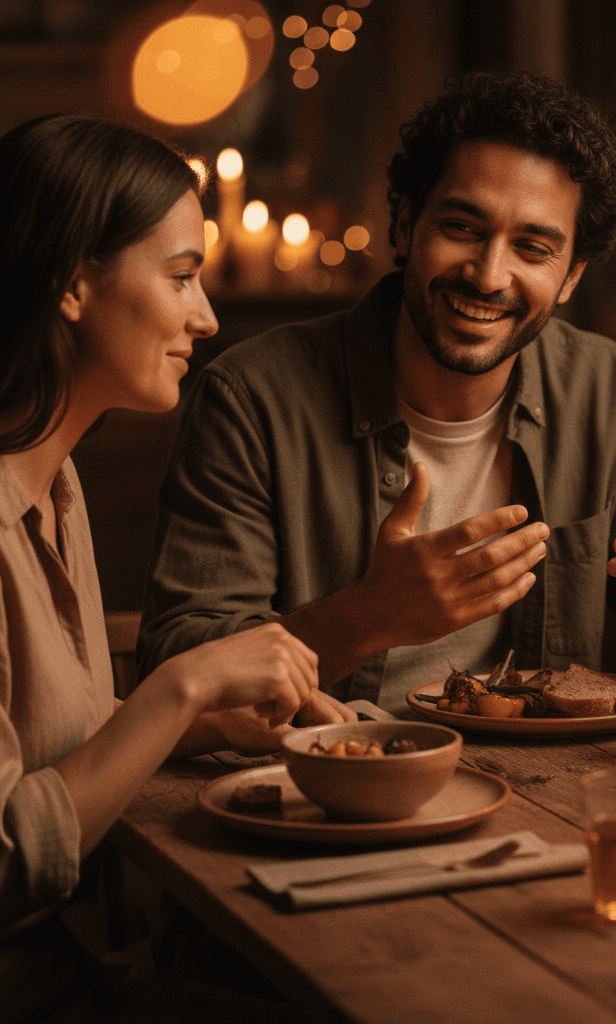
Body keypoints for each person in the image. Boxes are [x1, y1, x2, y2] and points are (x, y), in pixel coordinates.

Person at [138, 69, 616, 714]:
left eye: (532, 247)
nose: (489, 274)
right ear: (406, 222)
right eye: (463, 229)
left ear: (570, 277)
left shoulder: (608, 392)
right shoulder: (252, 399)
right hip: (324, 784)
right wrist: (369, 616)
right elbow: (178, 665)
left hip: (541, 791)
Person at [0, 113, 355, 1023]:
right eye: (182, 276)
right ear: (74, 284)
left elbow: (52, 751)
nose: (206, 315)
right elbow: (8, 858)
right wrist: (181, 685)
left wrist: (202, 723)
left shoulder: (55, 484)